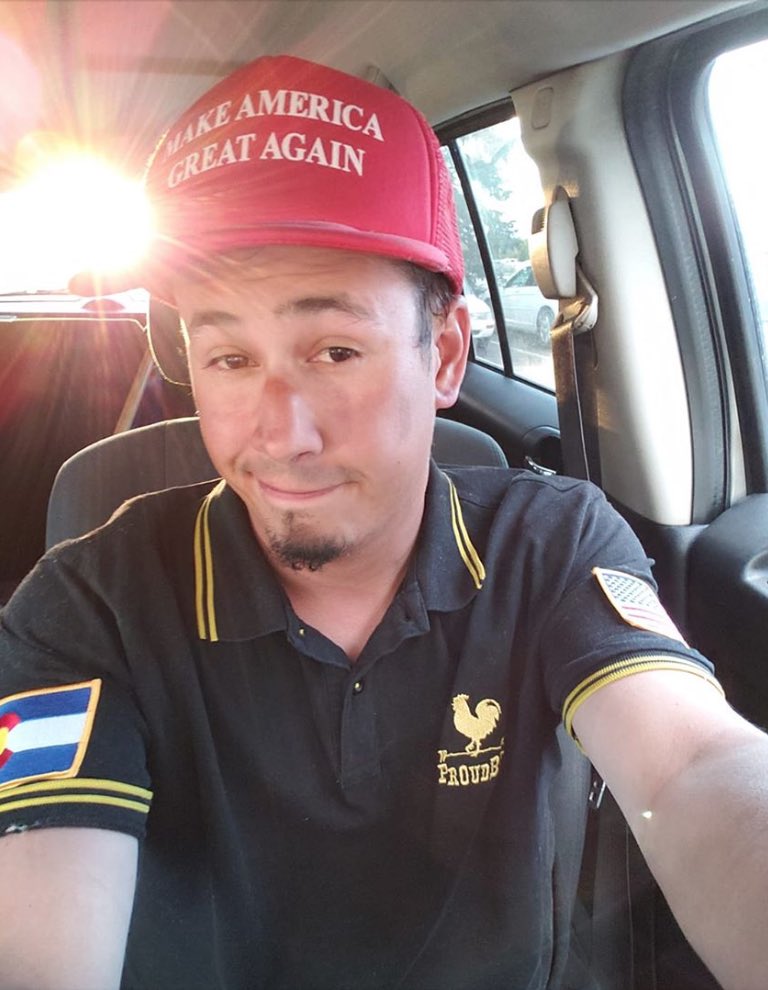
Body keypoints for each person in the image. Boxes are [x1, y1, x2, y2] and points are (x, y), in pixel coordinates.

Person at [0, 54, 766, 990]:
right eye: (230, 358)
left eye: (334, 351)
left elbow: (694, 768)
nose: (281, 436)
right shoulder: (88, 605)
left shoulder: (550, 544)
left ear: (443, 355)